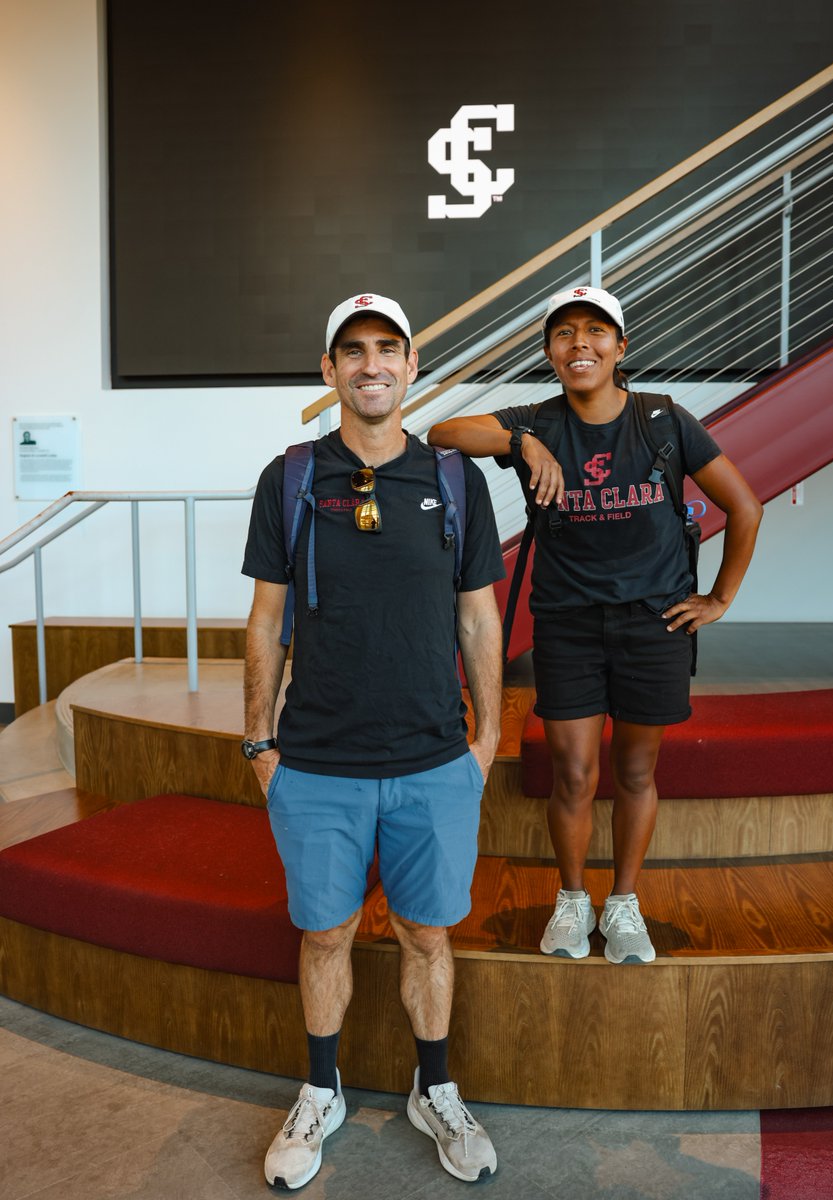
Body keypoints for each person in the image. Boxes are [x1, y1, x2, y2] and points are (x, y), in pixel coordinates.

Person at [241, 293, 504, 1190]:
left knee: (429, 937)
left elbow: (480, 619)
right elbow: (264, 619)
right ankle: (322, 1091)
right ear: (329, 373)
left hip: (435, 760)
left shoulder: (458, 481)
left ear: (411, 364)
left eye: (386, 348)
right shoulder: (289, 479)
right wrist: (259, 744)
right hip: (315, 765)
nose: (370, 364)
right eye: (351, 351)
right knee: (325, 938)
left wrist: (489, 738)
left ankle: (437, 1090)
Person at [428, 286, 762, 965]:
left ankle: (626, 901)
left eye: (595, 331)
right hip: (568, 625)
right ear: (550, 352)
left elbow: (745, 507)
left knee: (636, 771)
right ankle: (573, 900)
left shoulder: (665, 420)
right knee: (574, 774)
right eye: (564, 333)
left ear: (620, 348)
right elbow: (443, 434)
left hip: (654, 623)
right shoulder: (539, 421)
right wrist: (524, 442)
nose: (580, 343)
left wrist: (718, 598)